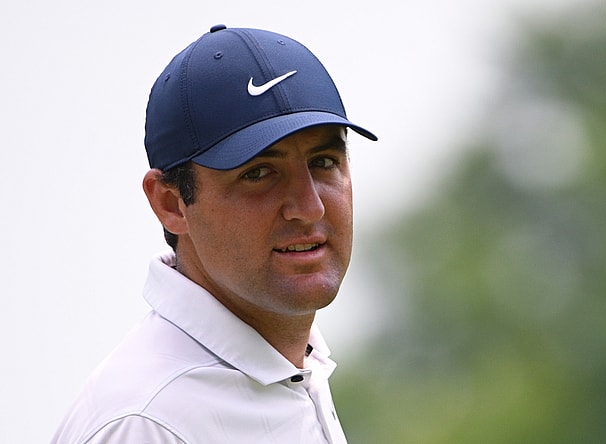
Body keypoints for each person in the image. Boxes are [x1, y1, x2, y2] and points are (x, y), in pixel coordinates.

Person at [51, 24, 376, 444]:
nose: (309, 206)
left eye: (324, 162)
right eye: (259, 173)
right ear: (170, 203)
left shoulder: (293, 367)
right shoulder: (146, 422)